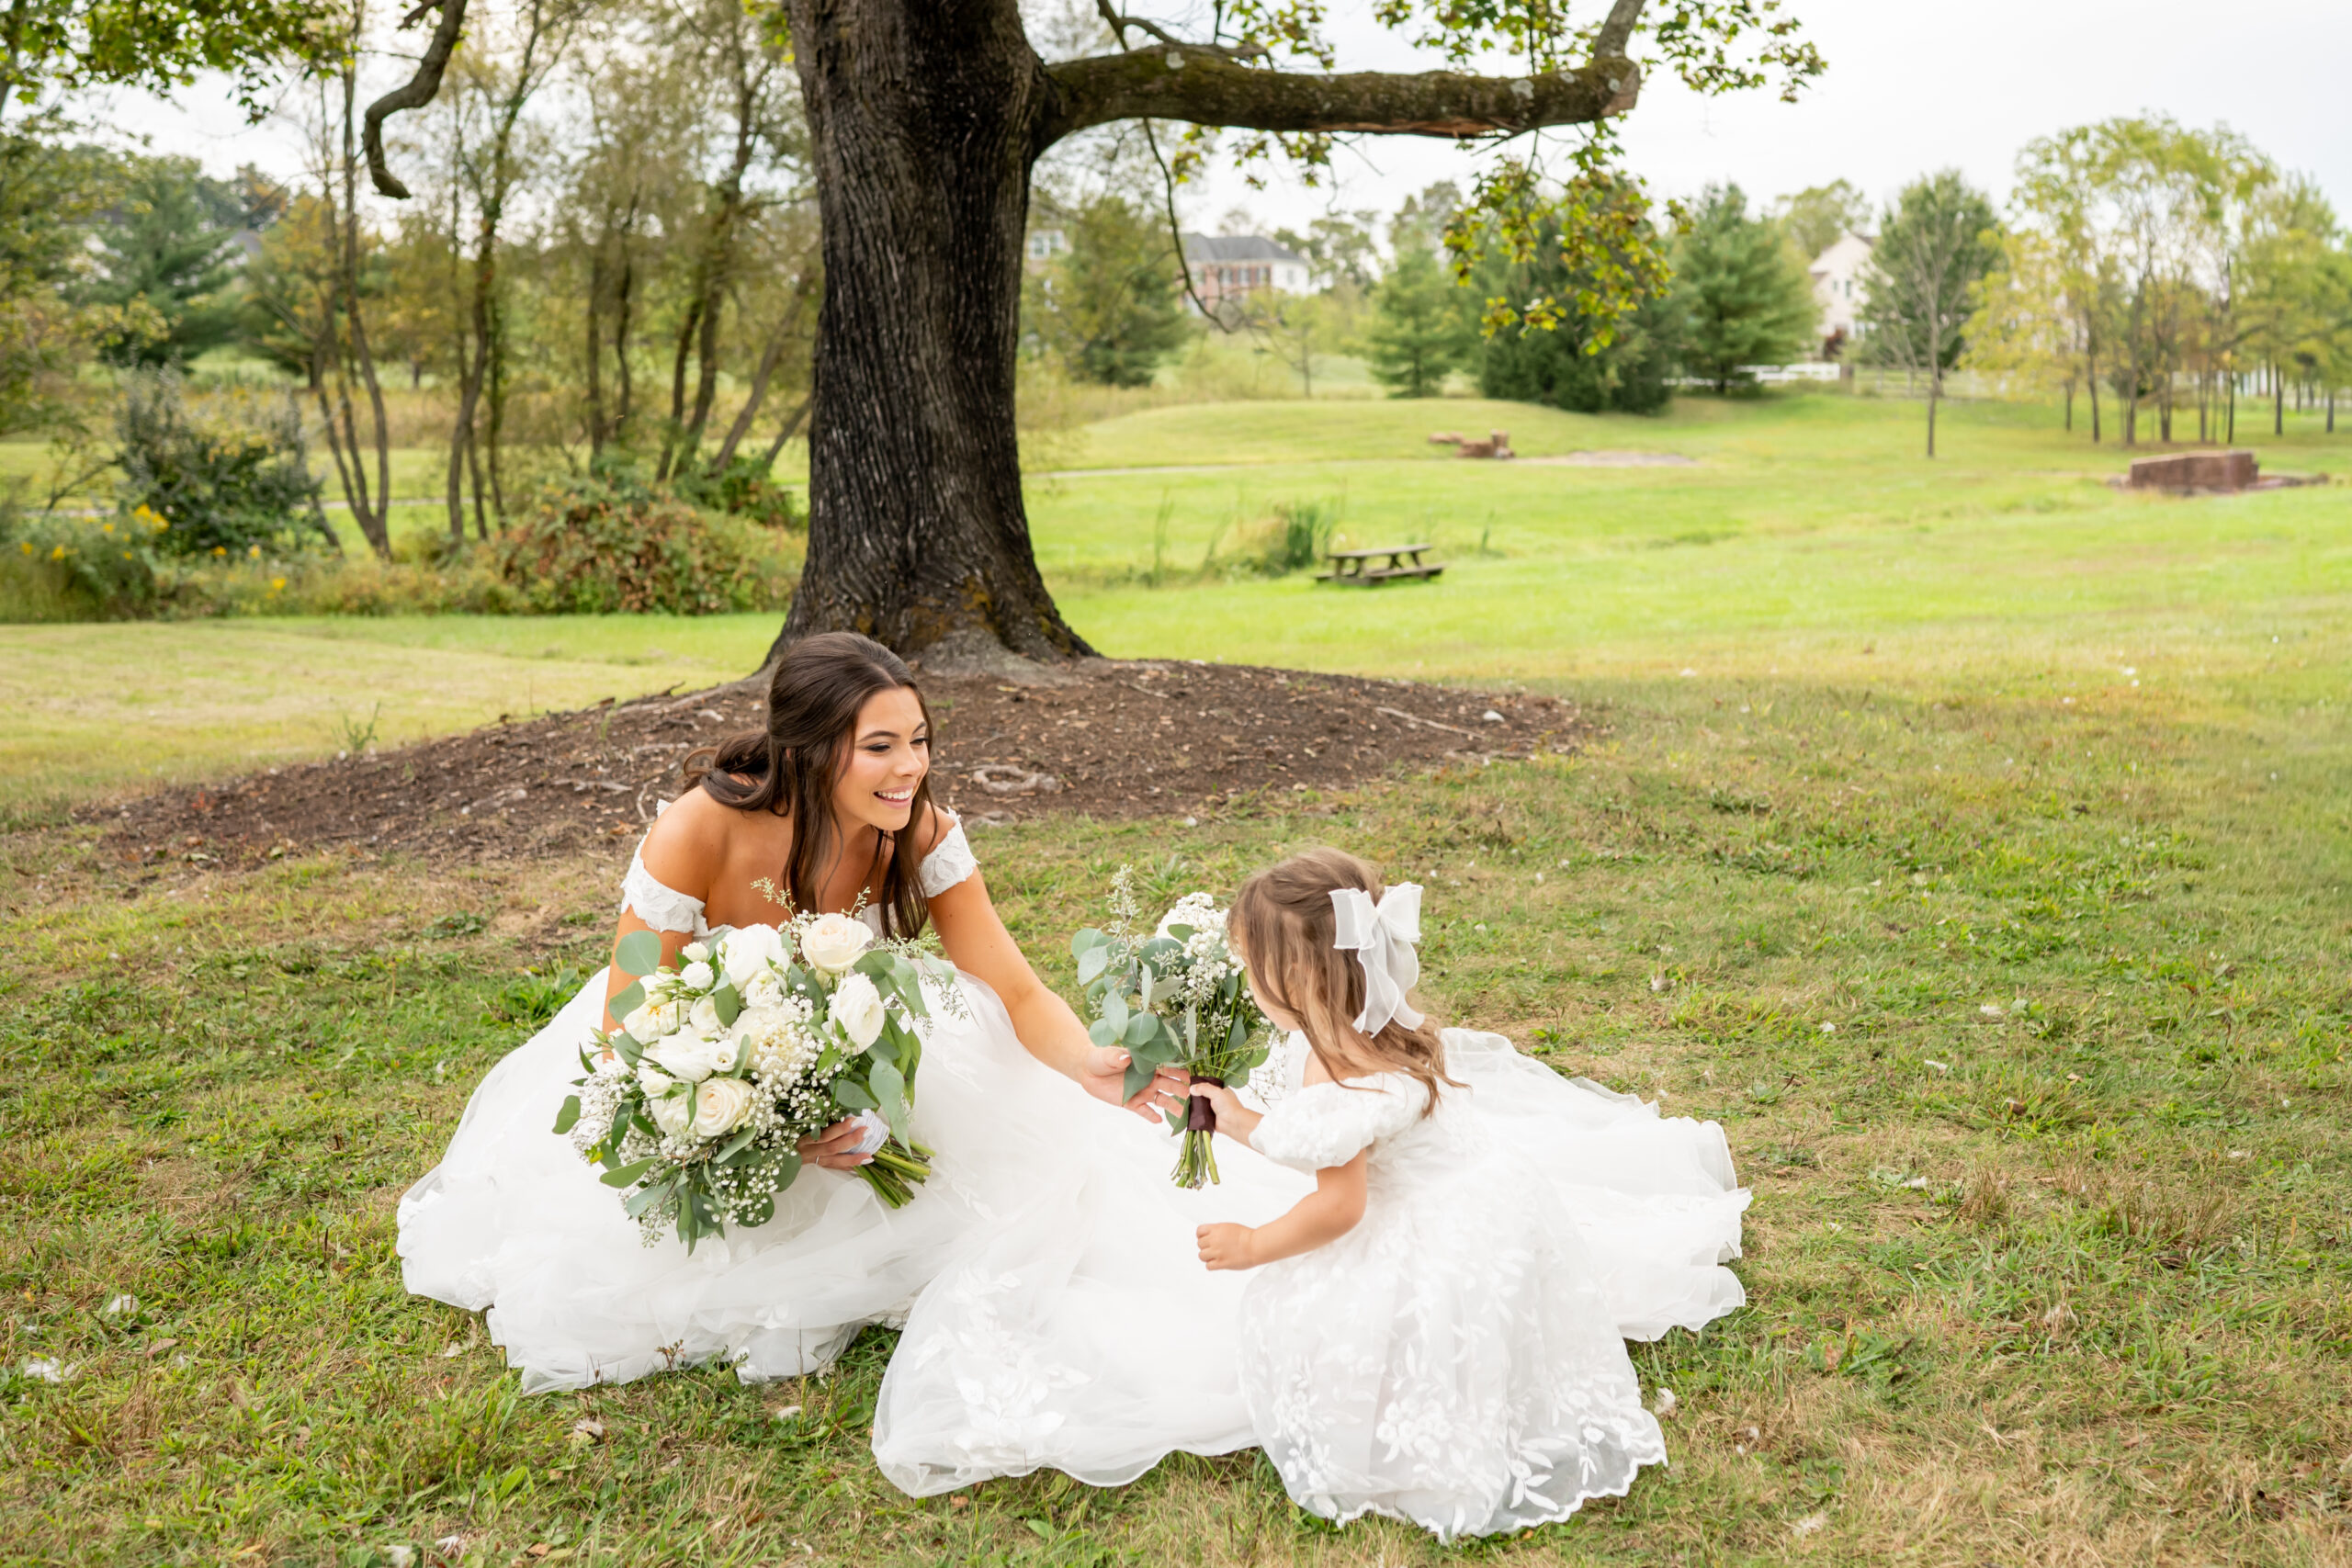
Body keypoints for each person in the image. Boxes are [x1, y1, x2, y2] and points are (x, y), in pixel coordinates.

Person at [396, 631, 1204, 1392]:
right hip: (696, 1065)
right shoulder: (700, 830)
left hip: (867, 1061)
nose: (911, 767)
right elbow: (629, 1029)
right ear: (811, 750)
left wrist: (1085, 1063)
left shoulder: (917, 832)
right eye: (881, 746)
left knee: (1026, 1206)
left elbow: (1016, 989)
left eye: (919, 740)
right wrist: (764, 1119)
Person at [1184, 848, 1749, 1541]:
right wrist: (1237, 1117)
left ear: (1297, 975)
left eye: (1252, 968)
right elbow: (1315, 1138)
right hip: (1490, 1200)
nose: (1246, 982)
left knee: (1316, 1321)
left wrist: (1252, 1245)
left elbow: (1340, 1205)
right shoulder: (1375, 1024)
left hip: (1436, 1235)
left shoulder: (1336, 1067)